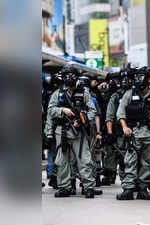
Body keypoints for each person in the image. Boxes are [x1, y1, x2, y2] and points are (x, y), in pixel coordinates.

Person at [47, 65, 102, 198]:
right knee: (62, 160)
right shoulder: (58, 93)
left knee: (85, 159)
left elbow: (92, 111)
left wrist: (83, 121)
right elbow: (50, 110)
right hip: (62, 131)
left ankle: (88, 187)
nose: (69, 78)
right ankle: (64, 187)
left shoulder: (84, 92)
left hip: (79, 132)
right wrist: (62, 110)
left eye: (72, 75)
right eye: (67, 75)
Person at [116, 67, 150, 200]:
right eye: (137, 77)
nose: (138, 80)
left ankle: (143, 189)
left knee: (148, 163)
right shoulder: (129, 94)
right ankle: (128, 189)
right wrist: (125, 127)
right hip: (133, 134)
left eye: (142, 77)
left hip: (149, 135)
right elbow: (120, 113)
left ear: (149, 80)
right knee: (130, 162)